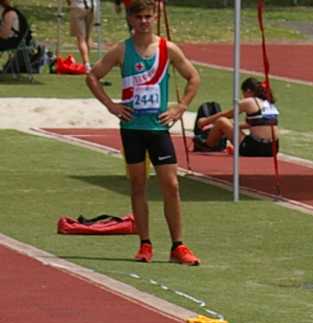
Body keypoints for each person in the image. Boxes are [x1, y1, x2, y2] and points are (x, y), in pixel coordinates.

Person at [85, 0, 200, 265]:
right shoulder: (122, 51)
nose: (144, 22)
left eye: (148, 17)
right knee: (138, 185)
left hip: (158, 128)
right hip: (132, 128)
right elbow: (92, 77)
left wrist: (180, 107)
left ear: (155, 17)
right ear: (131, 20)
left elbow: (193, 77)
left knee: (171, 185)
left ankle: (178, 246)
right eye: (139, 17)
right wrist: (111, 105)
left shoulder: (167, 49)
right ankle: (145, 244)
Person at [197, 75, 279, 157]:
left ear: (248, 91)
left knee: (221, 121)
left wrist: (204, 121)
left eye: (244, 94)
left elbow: (226, 115)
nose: (243, 97)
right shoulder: (268, 103)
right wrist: (233, 126)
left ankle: (207, 145)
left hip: (254, 149)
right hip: (273, 149)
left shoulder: (249, 101)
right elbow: (256, 124)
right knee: (230, 124)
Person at [67, 0, 94, 68]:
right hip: (92, 6)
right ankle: (87, 61)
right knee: (87, 37)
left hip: (78, 6)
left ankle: (86, 63)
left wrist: (70, 4)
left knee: (81, 38)